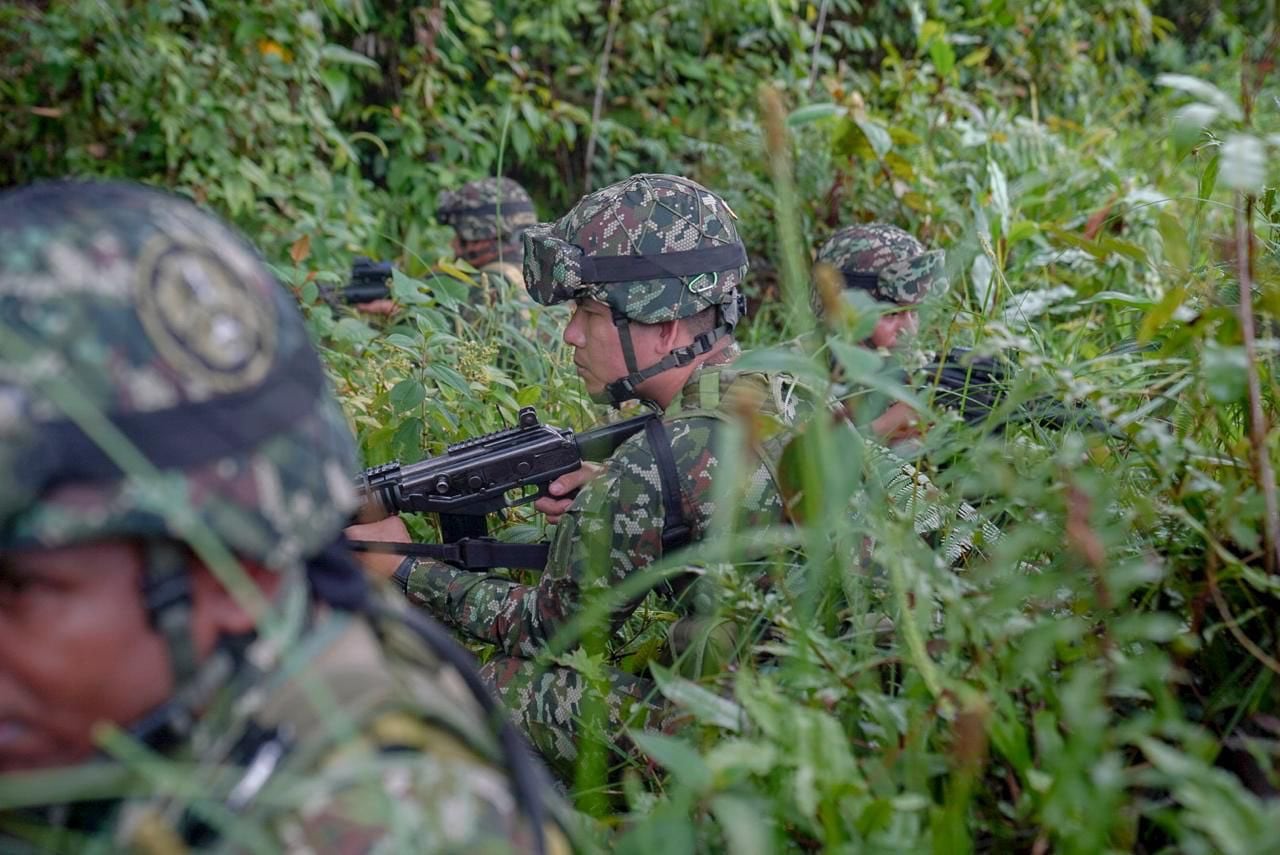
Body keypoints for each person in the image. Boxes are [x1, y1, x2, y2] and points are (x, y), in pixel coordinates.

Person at [0, 180, 569, 853]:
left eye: (18, 588)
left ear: (229, 568)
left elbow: (552, 620)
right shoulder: (129, 714)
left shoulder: (390, 818)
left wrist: (416, 570)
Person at [349, 174, 801, 780]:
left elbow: (545, 630)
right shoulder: (776, 387)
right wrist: (632, 506)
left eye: (589, 313)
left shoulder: (654, 463)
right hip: (820, 697)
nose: (570, 334)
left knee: (491, 683)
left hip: (759, 743)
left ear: (663, 324)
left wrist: (401, 568)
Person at [813, 222, 946, 445]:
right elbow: (790, 469)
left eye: (915, 311)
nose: (910, 330)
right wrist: (880, 430)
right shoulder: (788, 380)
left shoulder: (918, 369)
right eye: (891, 313)